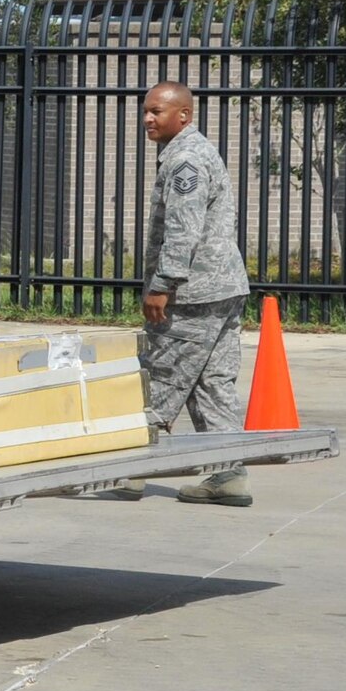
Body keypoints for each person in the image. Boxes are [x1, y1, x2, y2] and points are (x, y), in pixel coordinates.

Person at [119, 80, 254, 506]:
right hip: (221, 288)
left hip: (192, 294)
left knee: (159, 376)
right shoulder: (194, 153)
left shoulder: (185, 162)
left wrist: (162, 284)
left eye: (156, 111)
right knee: (212, 384)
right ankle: (226, 473)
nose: (147, 118)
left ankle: (130, 468)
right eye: (146, 111)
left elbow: (183, 230)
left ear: (184, 115)